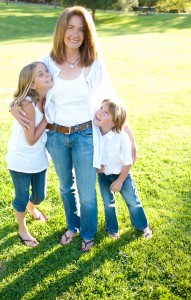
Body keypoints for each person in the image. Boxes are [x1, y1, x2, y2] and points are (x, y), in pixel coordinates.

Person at [10, 6, 137, 252]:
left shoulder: (94, 64)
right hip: (56, 136)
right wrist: (12, 106)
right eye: (70, 27)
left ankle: (87, 233)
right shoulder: (46, 62)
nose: (75, 34)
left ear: (87, 34)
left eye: (81, 29)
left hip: (86, 135)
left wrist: (128, 132)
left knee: (87, 191)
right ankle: (73, 227)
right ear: (61, 30)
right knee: (65, 187)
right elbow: (26, 86)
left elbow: (111, 97)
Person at [7, 62, 53, 247]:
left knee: (40, 195)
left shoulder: (48, 96)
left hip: (39, 158)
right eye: (41, 74)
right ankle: (22, 228)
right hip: (21, 160)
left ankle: (32, 208)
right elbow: (31, 138)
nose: (48, 75)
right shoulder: (28, 104)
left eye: (47, 71)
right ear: (33, 85)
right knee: (22, 197)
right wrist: (48, 119)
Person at [94, 99, 152, 239]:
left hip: (122, 175)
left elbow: (128, 161)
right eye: (101, 108)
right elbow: (94, 152)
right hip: (104, 176)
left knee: (133, 200)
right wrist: (97, 165)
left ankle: (143, 226)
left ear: (114, 122)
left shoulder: (121, 137)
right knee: (108, 203)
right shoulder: (94, 132)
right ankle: (112, 229)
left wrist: (120, 181)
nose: (100, 112)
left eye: (106, 112)